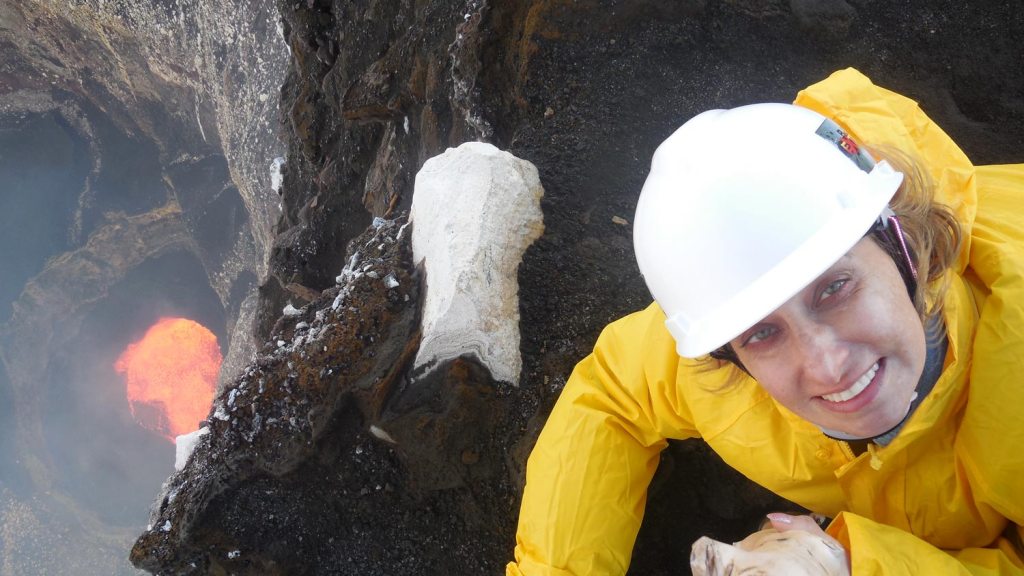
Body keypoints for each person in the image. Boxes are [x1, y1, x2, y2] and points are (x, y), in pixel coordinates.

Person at [506, 68, 1024, 575]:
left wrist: (852, 565)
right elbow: (613, 394)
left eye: (835, 288)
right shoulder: (720, 356)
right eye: (761, 333)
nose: (828, 365)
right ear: (727, 355)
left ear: (904, 246)